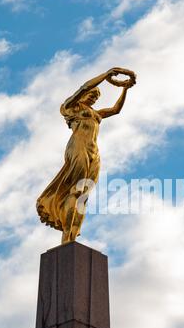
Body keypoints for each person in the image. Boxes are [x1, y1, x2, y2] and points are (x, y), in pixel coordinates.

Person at [36, 67, 136, 243]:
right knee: (75, 191)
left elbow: (115, 109)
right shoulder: (70, 107)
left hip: (94, 152)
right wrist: (106, 75)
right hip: (78, 148)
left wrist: (125, 89)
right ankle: (66, 237)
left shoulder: (97, 114)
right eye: (92, 93)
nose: (94, 97)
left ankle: (73, 236)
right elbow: (83, 87)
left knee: (83, 195)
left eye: (97, 96)